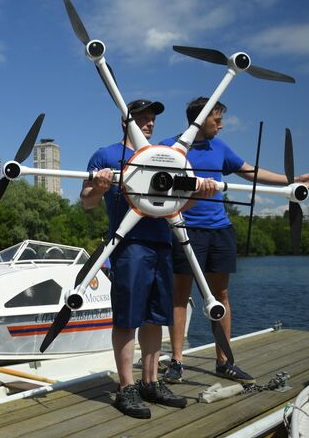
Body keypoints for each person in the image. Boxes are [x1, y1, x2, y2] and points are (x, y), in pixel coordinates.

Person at [160, 97, 309, 384]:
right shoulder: (170, 148)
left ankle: (224, 362)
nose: (222, 125)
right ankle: (177, 362)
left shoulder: (220, 148)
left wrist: (292, 181)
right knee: (180, 297)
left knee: (222, 296)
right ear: (201, 119)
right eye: (217, 120)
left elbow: (251, 172)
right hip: (184, 228)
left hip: (220, 229)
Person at [81, 99, 187, 419]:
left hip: (163, 244)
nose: (149, 123)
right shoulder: (106, 155)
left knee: (156, 318)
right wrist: (99, 188)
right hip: (130, 246)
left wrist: (202, 192)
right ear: (124, 122)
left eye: (152, 118)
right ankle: (126, 387)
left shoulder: (167, 157)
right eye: (142, 117)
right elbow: (86, 201)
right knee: (128, 318)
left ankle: (150, 383)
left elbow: (181, 203)